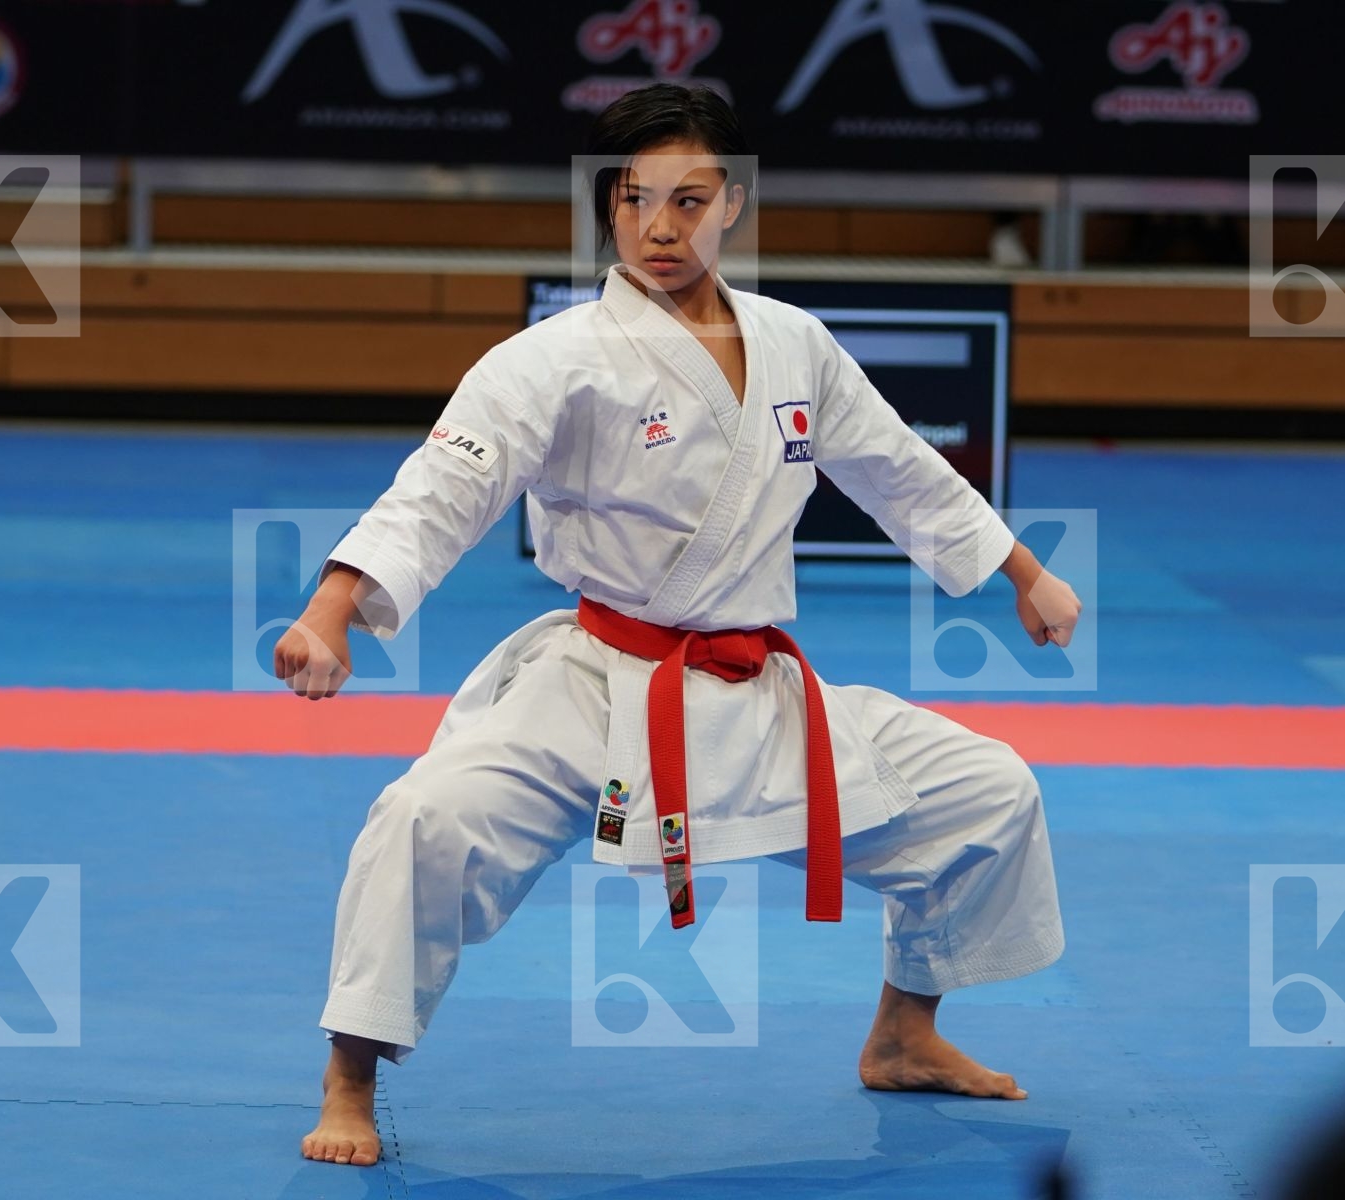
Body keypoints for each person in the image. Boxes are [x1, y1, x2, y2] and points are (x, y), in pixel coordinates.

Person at [275, 83, 1078, 1168]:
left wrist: (1023, 573)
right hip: (599, 683)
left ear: (732, 204)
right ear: (607, 208)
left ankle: (905, 1031)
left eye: (688, 200)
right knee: (423, 821)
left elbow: (898, 466)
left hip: (756, 693)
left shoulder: (796, 344)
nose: (661, 227)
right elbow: (440, 488)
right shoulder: (556, 358)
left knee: (988, 793)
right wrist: (331, 614)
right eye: (635, 200)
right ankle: (350, 1077)